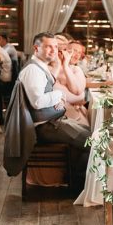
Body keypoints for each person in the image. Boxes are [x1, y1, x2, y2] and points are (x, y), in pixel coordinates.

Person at [19, 32, 90, 185]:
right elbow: (37, 102)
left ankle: (74, 179)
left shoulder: (40, 67)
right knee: (91, 141)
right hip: (43, 126)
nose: (54, 50)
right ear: (36, 48)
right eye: (48, 47)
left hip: (52, 120)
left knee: (91, 134)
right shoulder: (33, 70)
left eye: (55, 47)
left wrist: (59, 65)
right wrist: (59, 95)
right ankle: (78, 185)